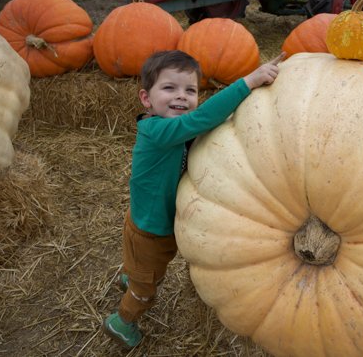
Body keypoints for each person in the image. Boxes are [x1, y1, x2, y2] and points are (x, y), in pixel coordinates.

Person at [102, 49, 285, 349]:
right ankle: (122, 320)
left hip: (157, 223)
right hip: (150, 230)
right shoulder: (158, 131)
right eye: (169, 88)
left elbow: (205, 124)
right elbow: (202, 118)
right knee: (146, 289)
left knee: (146, 267)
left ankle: (132, 275)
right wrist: (247, 83)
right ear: (146, 99)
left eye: (190, 90)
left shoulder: (173, 127)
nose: (181, 97)